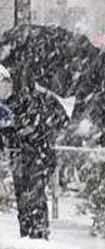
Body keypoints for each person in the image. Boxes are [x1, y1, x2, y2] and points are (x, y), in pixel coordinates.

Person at [6, 71, 69, 239]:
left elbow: (61, 120)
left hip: (38, 155)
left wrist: (39, 130)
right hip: (22, 156)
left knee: (35, 197)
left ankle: (38, 235)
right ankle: (29, 234)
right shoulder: (11, 102)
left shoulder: (42, 98)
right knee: (25, 199)